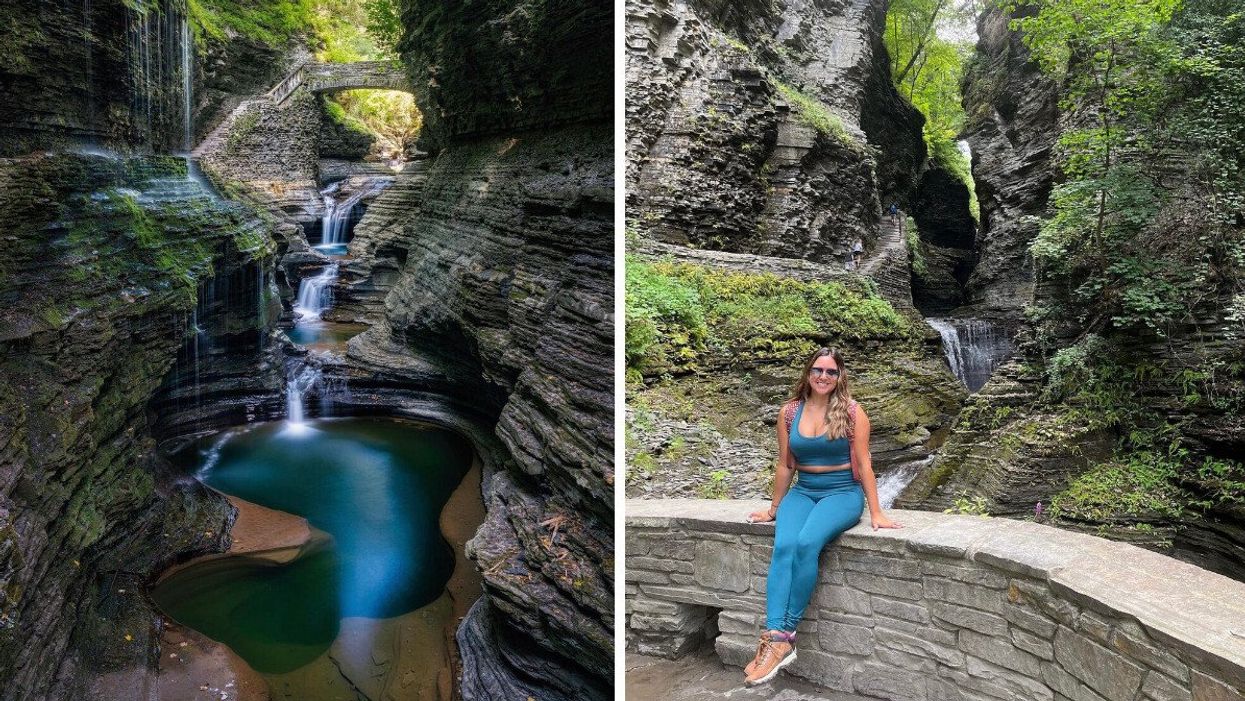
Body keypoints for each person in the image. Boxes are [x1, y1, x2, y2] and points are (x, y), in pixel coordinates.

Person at [742, 347, 902, 686]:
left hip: (842, 493)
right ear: (808, 373)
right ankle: (772, 638)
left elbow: (865, 463)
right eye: (818, 370)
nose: (824, 377)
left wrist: (876, 512)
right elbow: (786, 465)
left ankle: (784, 638)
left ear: (840, 376)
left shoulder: (853, 412)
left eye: (831, 372)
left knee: (806, 543)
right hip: (803, 491)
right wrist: (774, 508)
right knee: (783, 546)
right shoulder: (789, 412)